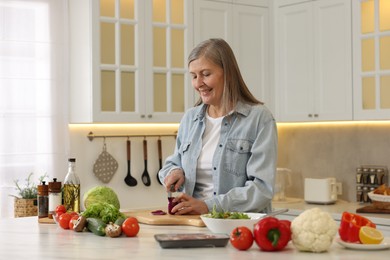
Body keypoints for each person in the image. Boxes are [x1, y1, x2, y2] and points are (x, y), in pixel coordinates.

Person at [158, 38, 277, 215]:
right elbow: (173, 162)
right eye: (194, 76)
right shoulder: (190, 118)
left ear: (228, 73)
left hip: (238, 225)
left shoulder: (259, 118)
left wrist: (209, 206)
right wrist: (174, 172)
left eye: (206, 74)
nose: (198, 83)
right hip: (193, 223)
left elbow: (262, 188)